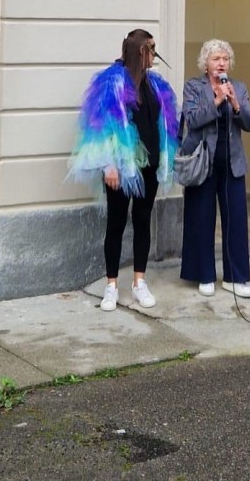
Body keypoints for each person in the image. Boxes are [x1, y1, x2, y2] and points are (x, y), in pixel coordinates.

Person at [70, 29, 178, 311]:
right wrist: (109, 165)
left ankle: (139, 282)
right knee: (116, 224)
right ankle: (111, 285)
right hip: (122, 168)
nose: (155, 54)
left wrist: (165, 160)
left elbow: (163, 124)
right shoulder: (113, 82)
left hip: (150, 165)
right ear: (141, 50)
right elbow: (101, 126)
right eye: (152, 48)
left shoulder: (154, 85)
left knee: (143, 220)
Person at [179, 39, 250, 298]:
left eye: (225, 58)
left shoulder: (239, 87)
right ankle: (204, 275)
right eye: (215, 59)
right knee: (201, 219)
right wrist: (216, 100)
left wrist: (234, 102)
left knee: (235, 219)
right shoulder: (193, 86)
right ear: (205, 63)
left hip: (232, 163)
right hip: (203, 162)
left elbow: (249, 123)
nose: (221, 63)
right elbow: (192, 119)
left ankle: (236, 277)